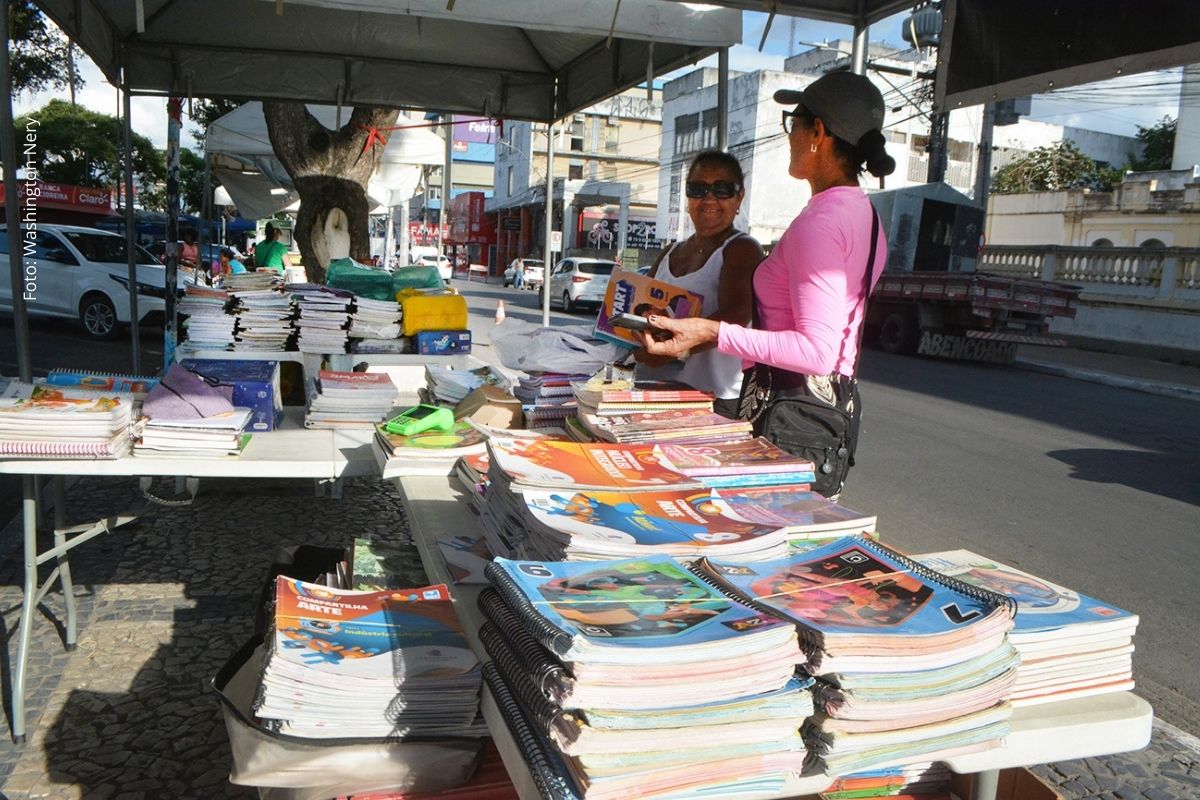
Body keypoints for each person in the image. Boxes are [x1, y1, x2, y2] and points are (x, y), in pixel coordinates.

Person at [640, 72, 894, 470]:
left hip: (789, 413)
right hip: (824, 412)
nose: (790, 136)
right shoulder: (867, 217)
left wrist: (710, 331)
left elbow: (816, 352)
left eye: (793, 124)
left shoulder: (822, 223)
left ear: (818, 132)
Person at [633, 149, 764, 419]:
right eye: (698, 189)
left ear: (740, 196)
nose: (709, 199)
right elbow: (642, 308)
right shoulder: (669, 251)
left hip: (713, 398)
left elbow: (737, 315)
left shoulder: (742, 248)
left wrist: (674, 351)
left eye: (722, 189)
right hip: (656, 388)